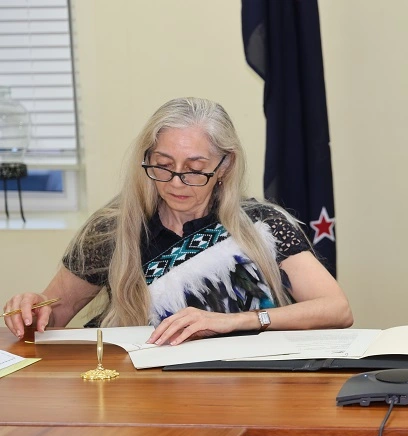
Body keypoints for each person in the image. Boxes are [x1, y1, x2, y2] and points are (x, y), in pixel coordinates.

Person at [3, 97, 353, 345]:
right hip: (142, 393)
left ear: (224, 166)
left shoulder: (262, 225)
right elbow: (48, 320)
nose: (175, 182)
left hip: (253, 386)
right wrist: (29, 311)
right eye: (163, 165)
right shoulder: (113, 228)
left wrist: (232, 322)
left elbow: (336, 309)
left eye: (195, 170)